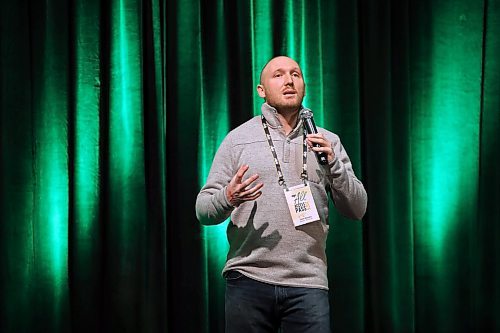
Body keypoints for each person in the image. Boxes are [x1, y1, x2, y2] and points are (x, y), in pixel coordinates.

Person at [195, 56, 367, 333]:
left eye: (295, 74)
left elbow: (357, 208)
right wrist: (228, 196)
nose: (288, 80)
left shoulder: (327, 141)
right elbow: (203, 210)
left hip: (307, 283)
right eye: (278, 75)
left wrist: (334, 165)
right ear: (261, 90)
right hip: (248, 277)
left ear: (304, 86)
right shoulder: (238, 140)